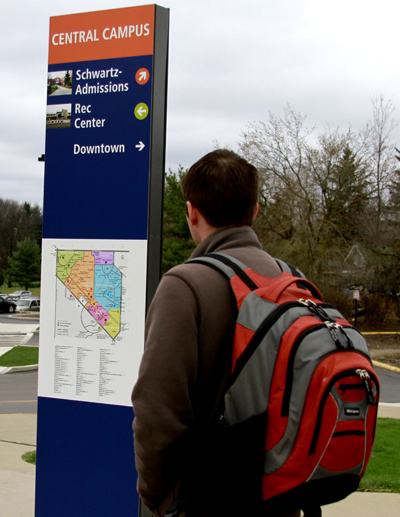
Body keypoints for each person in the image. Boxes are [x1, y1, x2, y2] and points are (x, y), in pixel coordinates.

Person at [132, 149, 302, 517]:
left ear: (191, 211)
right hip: (283, 495)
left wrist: (157, 497)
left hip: (209, 498)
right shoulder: (293, 279)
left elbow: (158, 412)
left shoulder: (185, 284)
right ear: (255, 211)